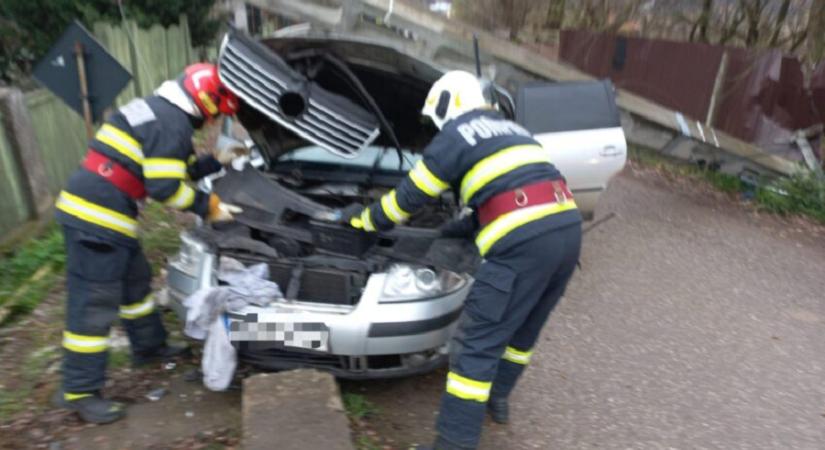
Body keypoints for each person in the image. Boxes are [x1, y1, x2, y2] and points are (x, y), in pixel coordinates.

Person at [342, 71, 583, 450]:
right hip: (567, 231)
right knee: (522, 333)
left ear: (447, 105)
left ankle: (453, 444)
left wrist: (363, 221)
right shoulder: (512, 130)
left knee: (475, 347)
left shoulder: (455, 135)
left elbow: (408, 197)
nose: (434, 126)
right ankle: (498, 398)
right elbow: (512, 185)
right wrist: (464, 226)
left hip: (523, 246)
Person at [53, 63, 243, 424]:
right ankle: (79, 392)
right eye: (217, 112)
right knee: (94, 306)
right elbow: (165, 188)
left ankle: (148, 346)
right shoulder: (171, 124)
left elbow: (172, 167)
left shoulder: (160, 111)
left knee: (135, 283)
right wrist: (211, 207)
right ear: (205, 103)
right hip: (96, 220)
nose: (215, 119)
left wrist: (214, 161)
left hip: (105, 216)